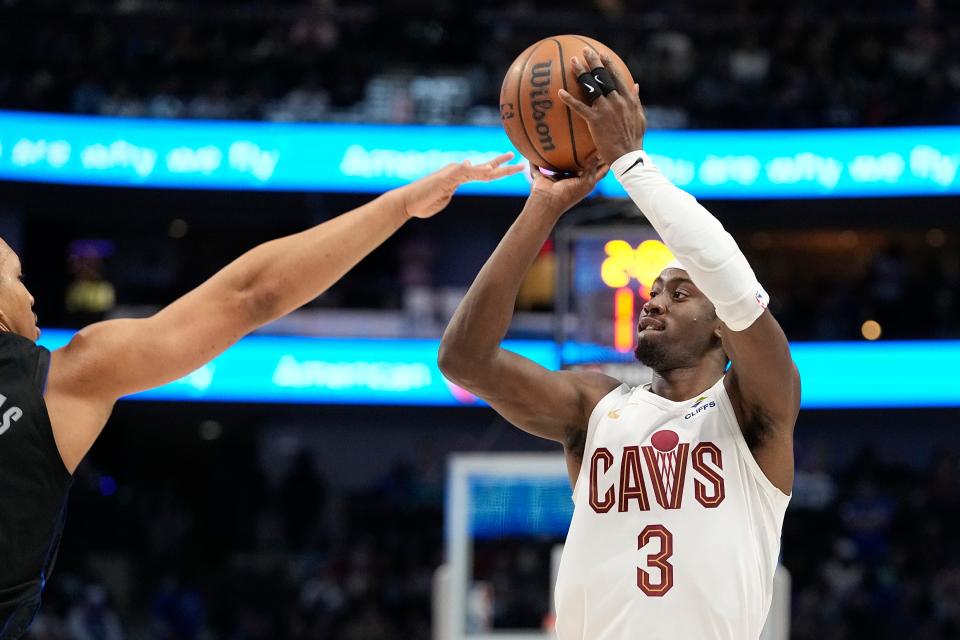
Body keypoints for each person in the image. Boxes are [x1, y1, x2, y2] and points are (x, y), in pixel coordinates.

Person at [0, 154, 522, 640]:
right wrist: (402, 205)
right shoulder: (62, 381)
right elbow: (251, 295)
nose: (30, 294)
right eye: (18, 278)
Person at [439, 49, 799, 639]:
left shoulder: (757, 411)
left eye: (680, 293)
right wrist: (542, 208)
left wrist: (633, 164)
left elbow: (734, 286)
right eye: (654, 291)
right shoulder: (595, 407)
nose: (654, 300)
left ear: (720, 328)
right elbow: (463, 360)